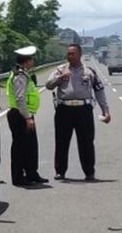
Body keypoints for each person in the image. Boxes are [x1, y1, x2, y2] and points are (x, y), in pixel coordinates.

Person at [45, 43, 110, 182]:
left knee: (86, 142)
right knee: (62, 142)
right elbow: (48, 85)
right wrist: (60, 78)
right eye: (68, 54)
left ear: (80, 54)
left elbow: (99, 90)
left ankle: (89, 172)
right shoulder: (60, 69)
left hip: (83, 110)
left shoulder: (89, 71)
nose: (70, 56)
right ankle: (60, 171)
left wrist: (105, 110)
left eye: (73, 54)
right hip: (64, 109)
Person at [5, 45, 46, 186]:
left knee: (30, 146)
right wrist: (28, 117)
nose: (33, 62)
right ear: (27, 61)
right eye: (31, 59)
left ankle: (31, 174)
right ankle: (19, 177)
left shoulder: (22, 73)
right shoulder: (19, 76)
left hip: (24, 114)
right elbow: (20, 98)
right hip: (20, 115)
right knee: (20, 148)